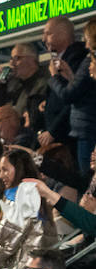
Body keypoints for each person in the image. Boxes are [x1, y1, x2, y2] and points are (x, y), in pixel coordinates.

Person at [47, 18, 96, 177]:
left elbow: (70, 95)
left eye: (87, 39)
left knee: (88, 181)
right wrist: (70, 77)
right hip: (86, 131)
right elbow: (80, 90)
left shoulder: (87, 58)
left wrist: (54, 77)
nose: (85, 45)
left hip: (88, 131)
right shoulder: (87, 59)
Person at [0, 41, 49, 126]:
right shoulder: (15, 86)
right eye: (11, 59)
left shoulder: (43, 84)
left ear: (32, 59)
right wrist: (1, 84)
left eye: (17, 58)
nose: (12, 63)